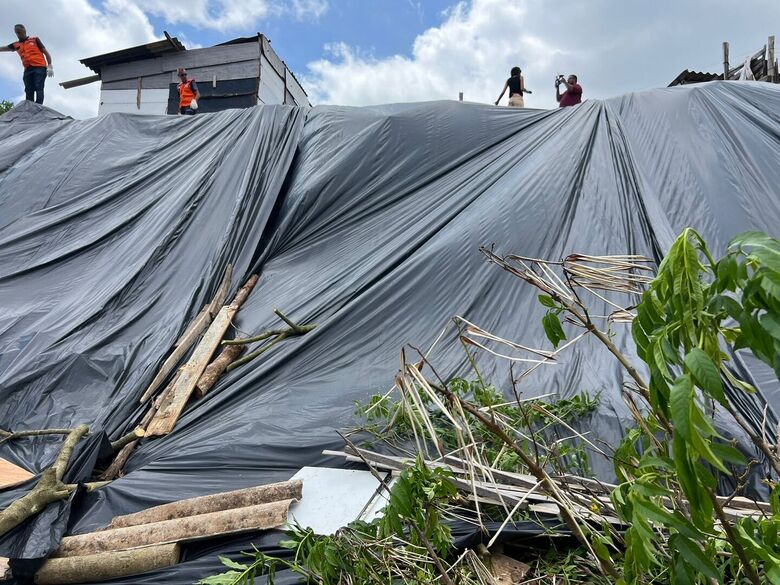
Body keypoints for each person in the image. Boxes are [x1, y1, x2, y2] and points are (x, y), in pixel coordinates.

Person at [0, 24, 53, 105]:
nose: (18, 35)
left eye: (19, 32)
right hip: (28, 69)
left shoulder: (34, 39)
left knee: (39, 86)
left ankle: (39, 107)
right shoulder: (16, 44)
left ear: (24, 30)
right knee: (28, 90)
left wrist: (49, 66)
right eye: (16, 33)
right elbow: (4, 48)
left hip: (39, 67)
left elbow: (46, 53)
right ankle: (29, 109)